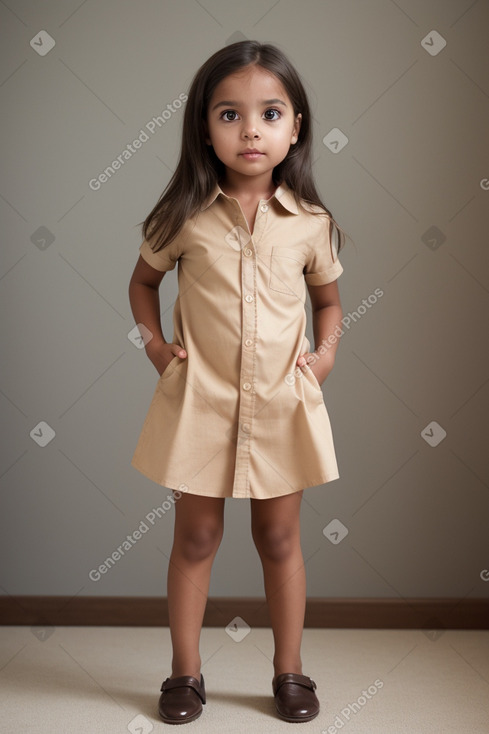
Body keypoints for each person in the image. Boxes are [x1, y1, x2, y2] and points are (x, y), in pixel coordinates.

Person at [128, 39, 347, 725]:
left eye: (269, 112)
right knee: (194, 538)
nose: (250, 129)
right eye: (229, 114)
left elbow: (328, 302)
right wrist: (156, 346)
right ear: (204, 128)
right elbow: (142, 283)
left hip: (282, 405)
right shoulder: (183, 217)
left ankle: (290, 672)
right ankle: (184, 675)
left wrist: (326, 353)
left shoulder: (311, 224)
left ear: (295, 126)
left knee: (279, 539)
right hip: (201, 400)